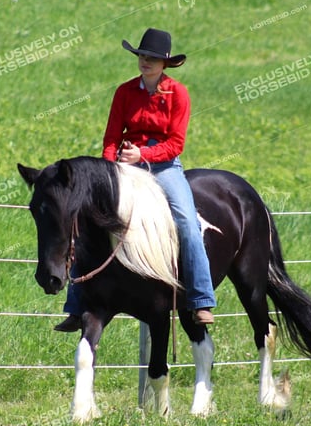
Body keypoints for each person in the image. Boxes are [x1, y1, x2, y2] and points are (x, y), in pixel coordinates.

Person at [54, 28, 216, 332]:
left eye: (152, 58)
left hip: (165, 165)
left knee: (186, 222)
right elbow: (112, 137)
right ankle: (76, 306)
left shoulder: (178, 94)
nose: (146, 61)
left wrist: (141, 154)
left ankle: (200, 298)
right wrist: (108, 170)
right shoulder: (124, 92)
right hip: (124, 165)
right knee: (88, 219)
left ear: (165, 63)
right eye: (142, 55)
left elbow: (175, 143)